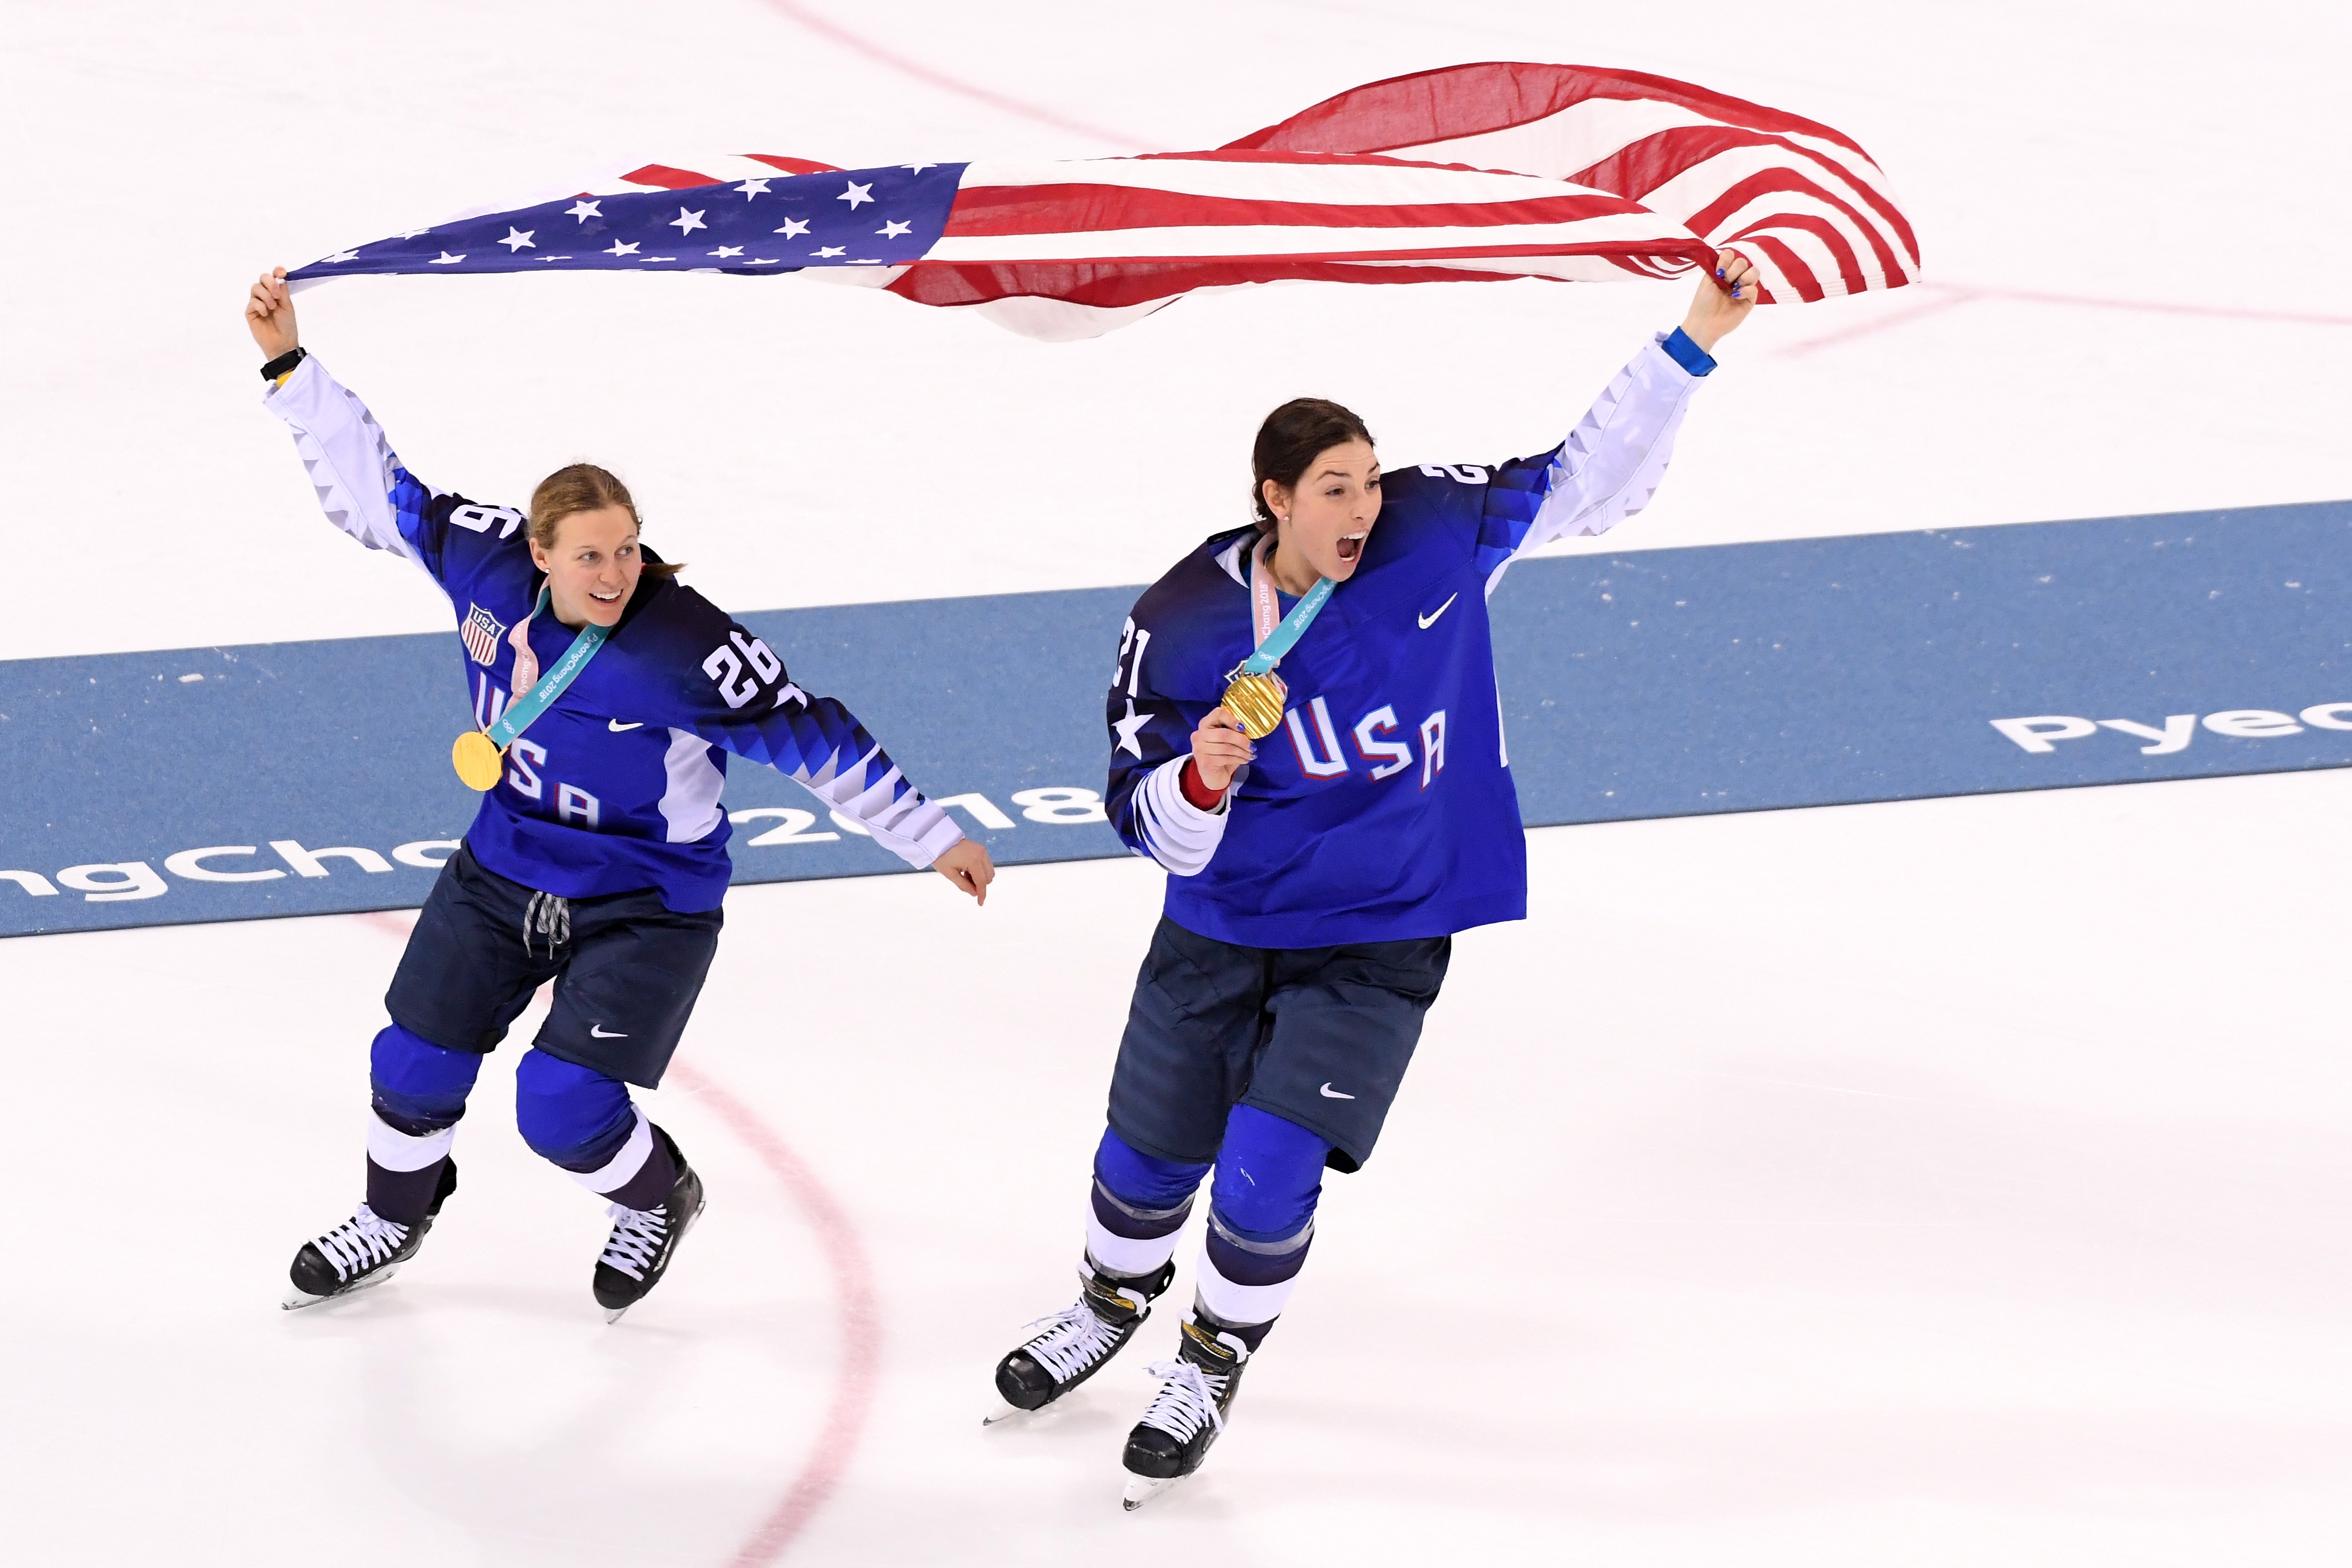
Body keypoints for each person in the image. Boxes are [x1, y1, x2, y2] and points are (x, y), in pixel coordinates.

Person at [989, 253, 1760, 1504]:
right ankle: (1111, 1303)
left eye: (1367, 480)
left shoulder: (1429, 537)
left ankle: (1212, 1357)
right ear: (1272, 500)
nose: (1360, 506)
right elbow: (1146, 829)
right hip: (1225, 927)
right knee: (1143, 1166)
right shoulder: (1180, 622)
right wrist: (1200, 779)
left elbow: (1586, 480)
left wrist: (1694, 338)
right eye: (1333, 489)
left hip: (1383, 929)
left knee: (1266, 1169)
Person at [244, 267, 995, 1321]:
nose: (614, 572)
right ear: (537, 553)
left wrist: (931, 836)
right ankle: (394, 1214)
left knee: (560, 1106)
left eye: (628, 549)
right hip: (504, 865)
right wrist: (288, 363)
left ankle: (657, 1198)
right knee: (411, 1061)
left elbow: (812, 737)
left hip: (647, 899)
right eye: (590, 555)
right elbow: (381, 491)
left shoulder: (685, 648)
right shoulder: (483, 560)